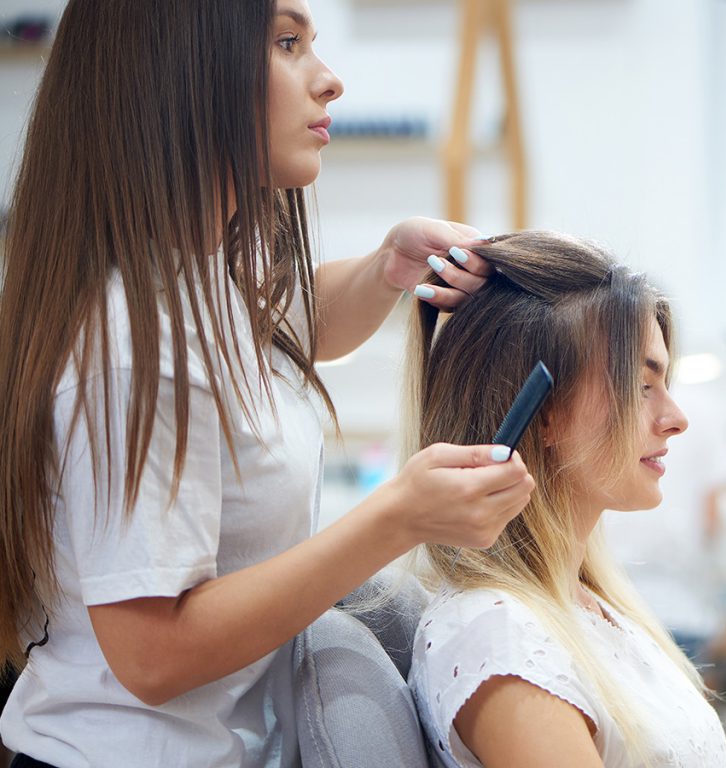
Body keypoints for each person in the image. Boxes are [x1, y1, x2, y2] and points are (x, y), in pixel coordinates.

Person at [0, 1, 535, 766]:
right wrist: (397, 519)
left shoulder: (201, 274)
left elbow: (291, 329)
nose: (330, 81)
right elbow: (151, 655)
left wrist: (390, 266)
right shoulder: (130, 343)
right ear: (180, 73)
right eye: (287, 44)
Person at [406, 232, 726, 767]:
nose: (677, 419)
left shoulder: (586, 606)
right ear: (544, 410)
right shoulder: (501, 640)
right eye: (640, 386)